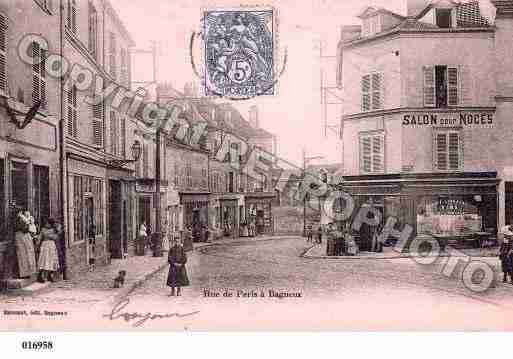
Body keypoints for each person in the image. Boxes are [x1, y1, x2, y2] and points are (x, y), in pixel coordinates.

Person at [15, 208, 37, 278]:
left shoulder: (26, 219)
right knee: (22, 255)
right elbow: (23, 228)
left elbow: (28, 228)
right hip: (21, 238)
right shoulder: (20, 219)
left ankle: (28, 273)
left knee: (28, 255)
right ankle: (24, 273)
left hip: (25, 237)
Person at [37, 218, 60, 283]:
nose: (47, 224)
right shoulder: (43, 229)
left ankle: (49, 275)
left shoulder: (54, 230)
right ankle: (40, 276)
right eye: (47, 223)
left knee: (51, 259)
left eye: (48, 223)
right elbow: (40, 238)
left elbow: (56, 237)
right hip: (45, 245)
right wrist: (38, 245)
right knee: (44, 260)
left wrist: (53, 235)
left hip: (51, 245)